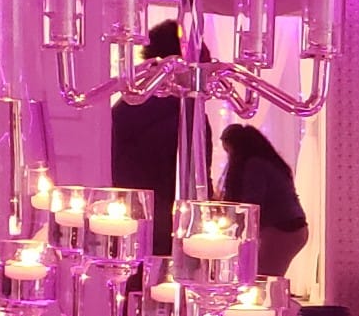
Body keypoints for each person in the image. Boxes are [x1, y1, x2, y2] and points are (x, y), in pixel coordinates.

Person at [108, 20, 200, 255]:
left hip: (124, 211)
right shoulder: (183, 111)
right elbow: (191, 175)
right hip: (164, 221)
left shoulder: (130, 102)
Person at [220, 123, 310, 286]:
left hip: (282, 230)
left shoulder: (255, 166)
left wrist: (233, 227)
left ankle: (274, 310)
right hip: (293, 228)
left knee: (262, 280)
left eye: (229, 151)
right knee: (266, 277)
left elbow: (252, 204)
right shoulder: (270, 163)